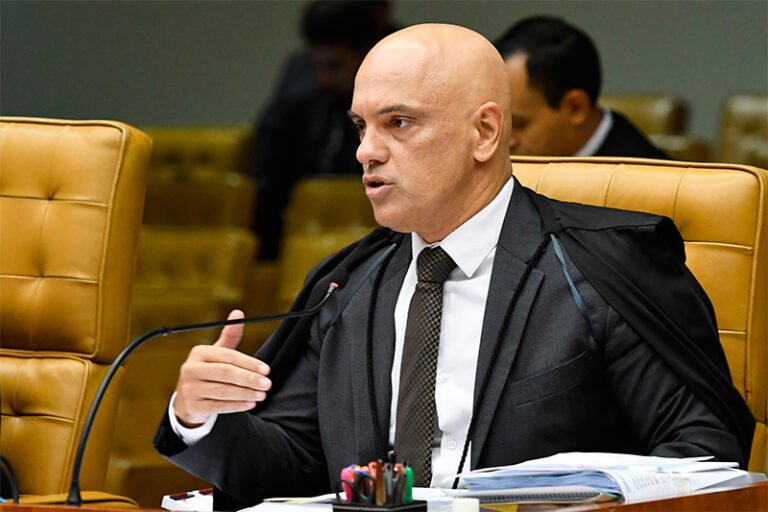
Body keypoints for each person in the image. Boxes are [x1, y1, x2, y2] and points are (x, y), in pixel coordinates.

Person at [155, 24, 753, 508]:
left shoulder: (599, 269)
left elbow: (700, 454)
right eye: (361, 126)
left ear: (485, 132)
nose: (365, 151)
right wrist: (199, 416)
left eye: (399, 123)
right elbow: (294, 465)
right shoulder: (349, 285)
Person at [251, 0, 396, 260]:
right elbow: (270, 174)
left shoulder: (399, 94)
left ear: (367, 56)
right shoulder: (300, 96)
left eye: (335, 66)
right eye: (316, 66)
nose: (324, 79)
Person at [494, 16, 669, 158]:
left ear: (576, 108)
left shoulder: (639, 183)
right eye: (491, 119)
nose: (498, 140)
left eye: (517, 124)